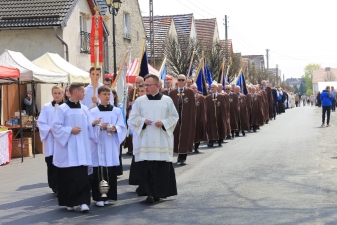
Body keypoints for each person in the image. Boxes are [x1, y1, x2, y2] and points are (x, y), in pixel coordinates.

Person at [128, 74, 179, 203]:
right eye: (145, 84)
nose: (145, 87)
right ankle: (148, 192)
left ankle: (160, 192)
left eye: (148, 85)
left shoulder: (167, 100)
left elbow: (174, 117)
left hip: (161, 139)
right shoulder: (139, 101)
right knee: (147, 166)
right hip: (145, 139)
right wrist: (143, 121)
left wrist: (164, 122)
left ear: (157, 86)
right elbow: (132, 119)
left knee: (160, 166)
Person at [52, 82, 101, 212]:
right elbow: (56, 127)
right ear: (75, 93)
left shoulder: (84, 109)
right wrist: (69, 130)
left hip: (82, 147)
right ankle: (70, 202)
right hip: (68, 148)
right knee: (68, 177)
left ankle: (84, 202)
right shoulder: (62, 109)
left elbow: (89, 124)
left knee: (82, 176)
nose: (84, 94)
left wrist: (93, 123)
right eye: (82, 92)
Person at [90, 86, 126, 207]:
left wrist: (115, 129)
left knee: (110, 170)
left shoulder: (116, 111)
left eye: (108, 94)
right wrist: (100, 127)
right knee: (99, 170)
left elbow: (122, 126)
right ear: (98, 96)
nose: (107, 96)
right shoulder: (93, 112)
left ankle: (109, 196)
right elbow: (89, 129)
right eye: (104, 94)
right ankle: (99, 197)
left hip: (111, 143)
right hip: (99, 144)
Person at [37, 85, 64, 194]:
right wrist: (50, 129)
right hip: (51, 139)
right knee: (51, 163)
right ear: (52, 94)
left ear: (63, 94)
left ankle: (62, 185)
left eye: (59, 93)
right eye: (55, 93)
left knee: (62, 163)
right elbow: (41, 122)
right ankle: (54, 185)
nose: (57, 95)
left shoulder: (66, 107)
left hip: (62, 139)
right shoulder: (47, 107)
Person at [169, 74, 196, 165]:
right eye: (179, 80)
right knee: (175, 136)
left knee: (185, 136)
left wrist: (192, 118)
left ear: (185, 81)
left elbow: (193, 107)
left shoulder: (190, 92)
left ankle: (182, 157)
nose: (180, 81)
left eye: (182, 80)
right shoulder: (172, 93)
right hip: (175, 119)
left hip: (186, 118)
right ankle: (177, 154)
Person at [128, 83, 146, 187]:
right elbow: (131, 120)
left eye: (144, 91)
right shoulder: (136, 104)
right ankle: (138, 181)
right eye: (140, 91)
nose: (142, 93)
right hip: (139, 133)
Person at [111, 89, 127, 176]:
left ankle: (117, 170)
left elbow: (122, 119)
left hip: (116, 131)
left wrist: (118, 129)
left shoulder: (118, 106)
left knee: (117, 152)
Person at [190, 84, 207, 153]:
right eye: (192, 88)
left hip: (198, 118)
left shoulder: (201, 97)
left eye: (195, 88)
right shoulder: (187, 97)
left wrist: (203, 118)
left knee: (198, 133)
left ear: (197, 89)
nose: (194, 89)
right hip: (190, 119)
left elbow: (204, 109)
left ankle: (196, 147)